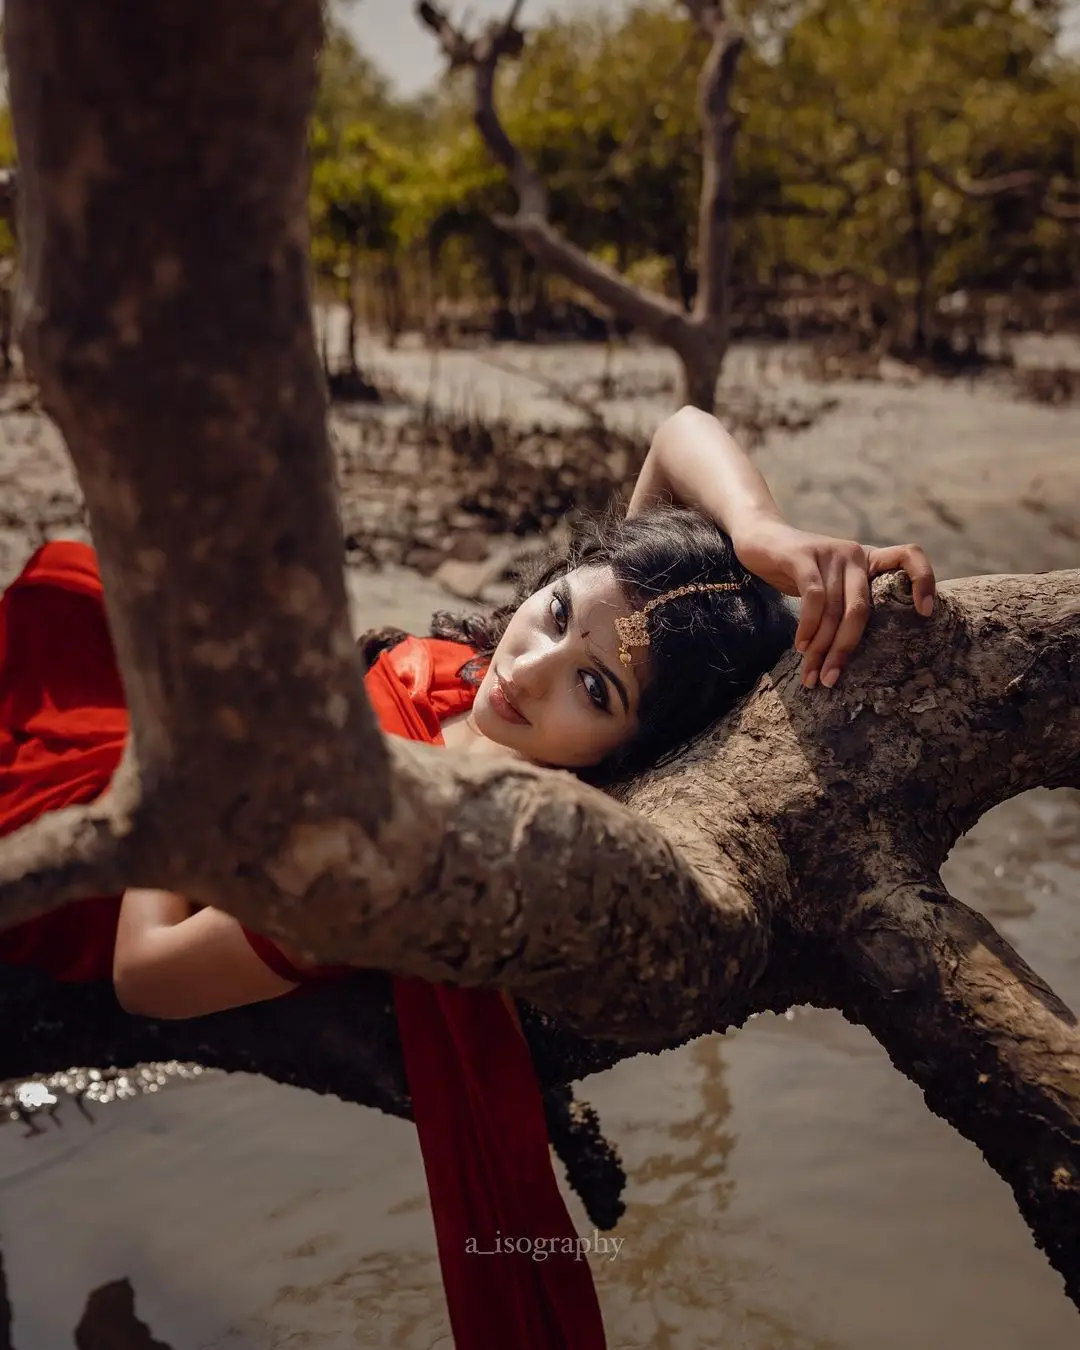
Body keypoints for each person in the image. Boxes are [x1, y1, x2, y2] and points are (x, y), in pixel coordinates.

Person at [0, 405, 936, 1349]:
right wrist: (760, 534)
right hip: (149, 728)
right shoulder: (497, 685)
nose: (527, 668)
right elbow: (678, 431)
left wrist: (185, 747)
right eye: (560, 610)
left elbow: (147, 975)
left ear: (627, 759)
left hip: (108, 825)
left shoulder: (395, 847)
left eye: (594, 689)